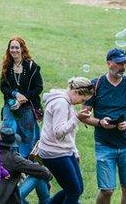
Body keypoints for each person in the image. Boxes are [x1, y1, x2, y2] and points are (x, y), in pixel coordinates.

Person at [79, 47, 126, 204]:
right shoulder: (96, 85)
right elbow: (83, 115)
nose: (123, 66)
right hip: (105, 145)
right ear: (108, 63)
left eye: (125, 63)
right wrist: (100, 122)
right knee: (107, 190)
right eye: (119, 63)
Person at [39, 76, 96, 204]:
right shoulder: (61, 103)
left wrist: (74, 151)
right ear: (75, 92)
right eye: (82, 99)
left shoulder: (67, 101)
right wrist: (77, 118)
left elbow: (68, 134)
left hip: (64, 150)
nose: (82, 103)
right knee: (73, 191)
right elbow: (59, 132)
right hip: (54, 152)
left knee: (77, 189)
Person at [0, 37, 43, 159]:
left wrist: (24, 97)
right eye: (11, 47)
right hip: (10, 105)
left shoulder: (31, 66)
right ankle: (8, 159)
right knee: (7, 130)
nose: (14, 50)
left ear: (22, 49)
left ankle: (24, 162)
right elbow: (3, 87)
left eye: (16, 47)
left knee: (26, 136)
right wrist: (15, 94)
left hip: (27, 107)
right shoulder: (7, 66)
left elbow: (38, 88)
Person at [0, 126, 53, 204]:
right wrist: (48, 178)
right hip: (7, 199)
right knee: (38, 176)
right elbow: (40, 171)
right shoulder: (13, 158)